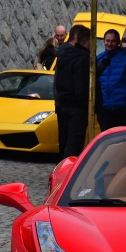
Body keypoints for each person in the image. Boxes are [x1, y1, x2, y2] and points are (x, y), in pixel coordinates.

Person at [54, 26, 92, 157]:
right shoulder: (82, 59)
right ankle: (68, 173)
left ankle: (61, 169)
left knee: (64, 142)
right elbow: (81, 86)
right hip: (76, 107)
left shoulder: (64, 56)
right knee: (74, 144)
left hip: (63, 104)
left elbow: (58, 82)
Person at [96, 29, 126, 130]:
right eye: (107, 41)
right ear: (104, 41)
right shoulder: (99, 58)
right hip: (104, 108)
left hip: (122, 108)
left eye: (113, 41)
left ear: (118, 42)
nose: (110, 44)